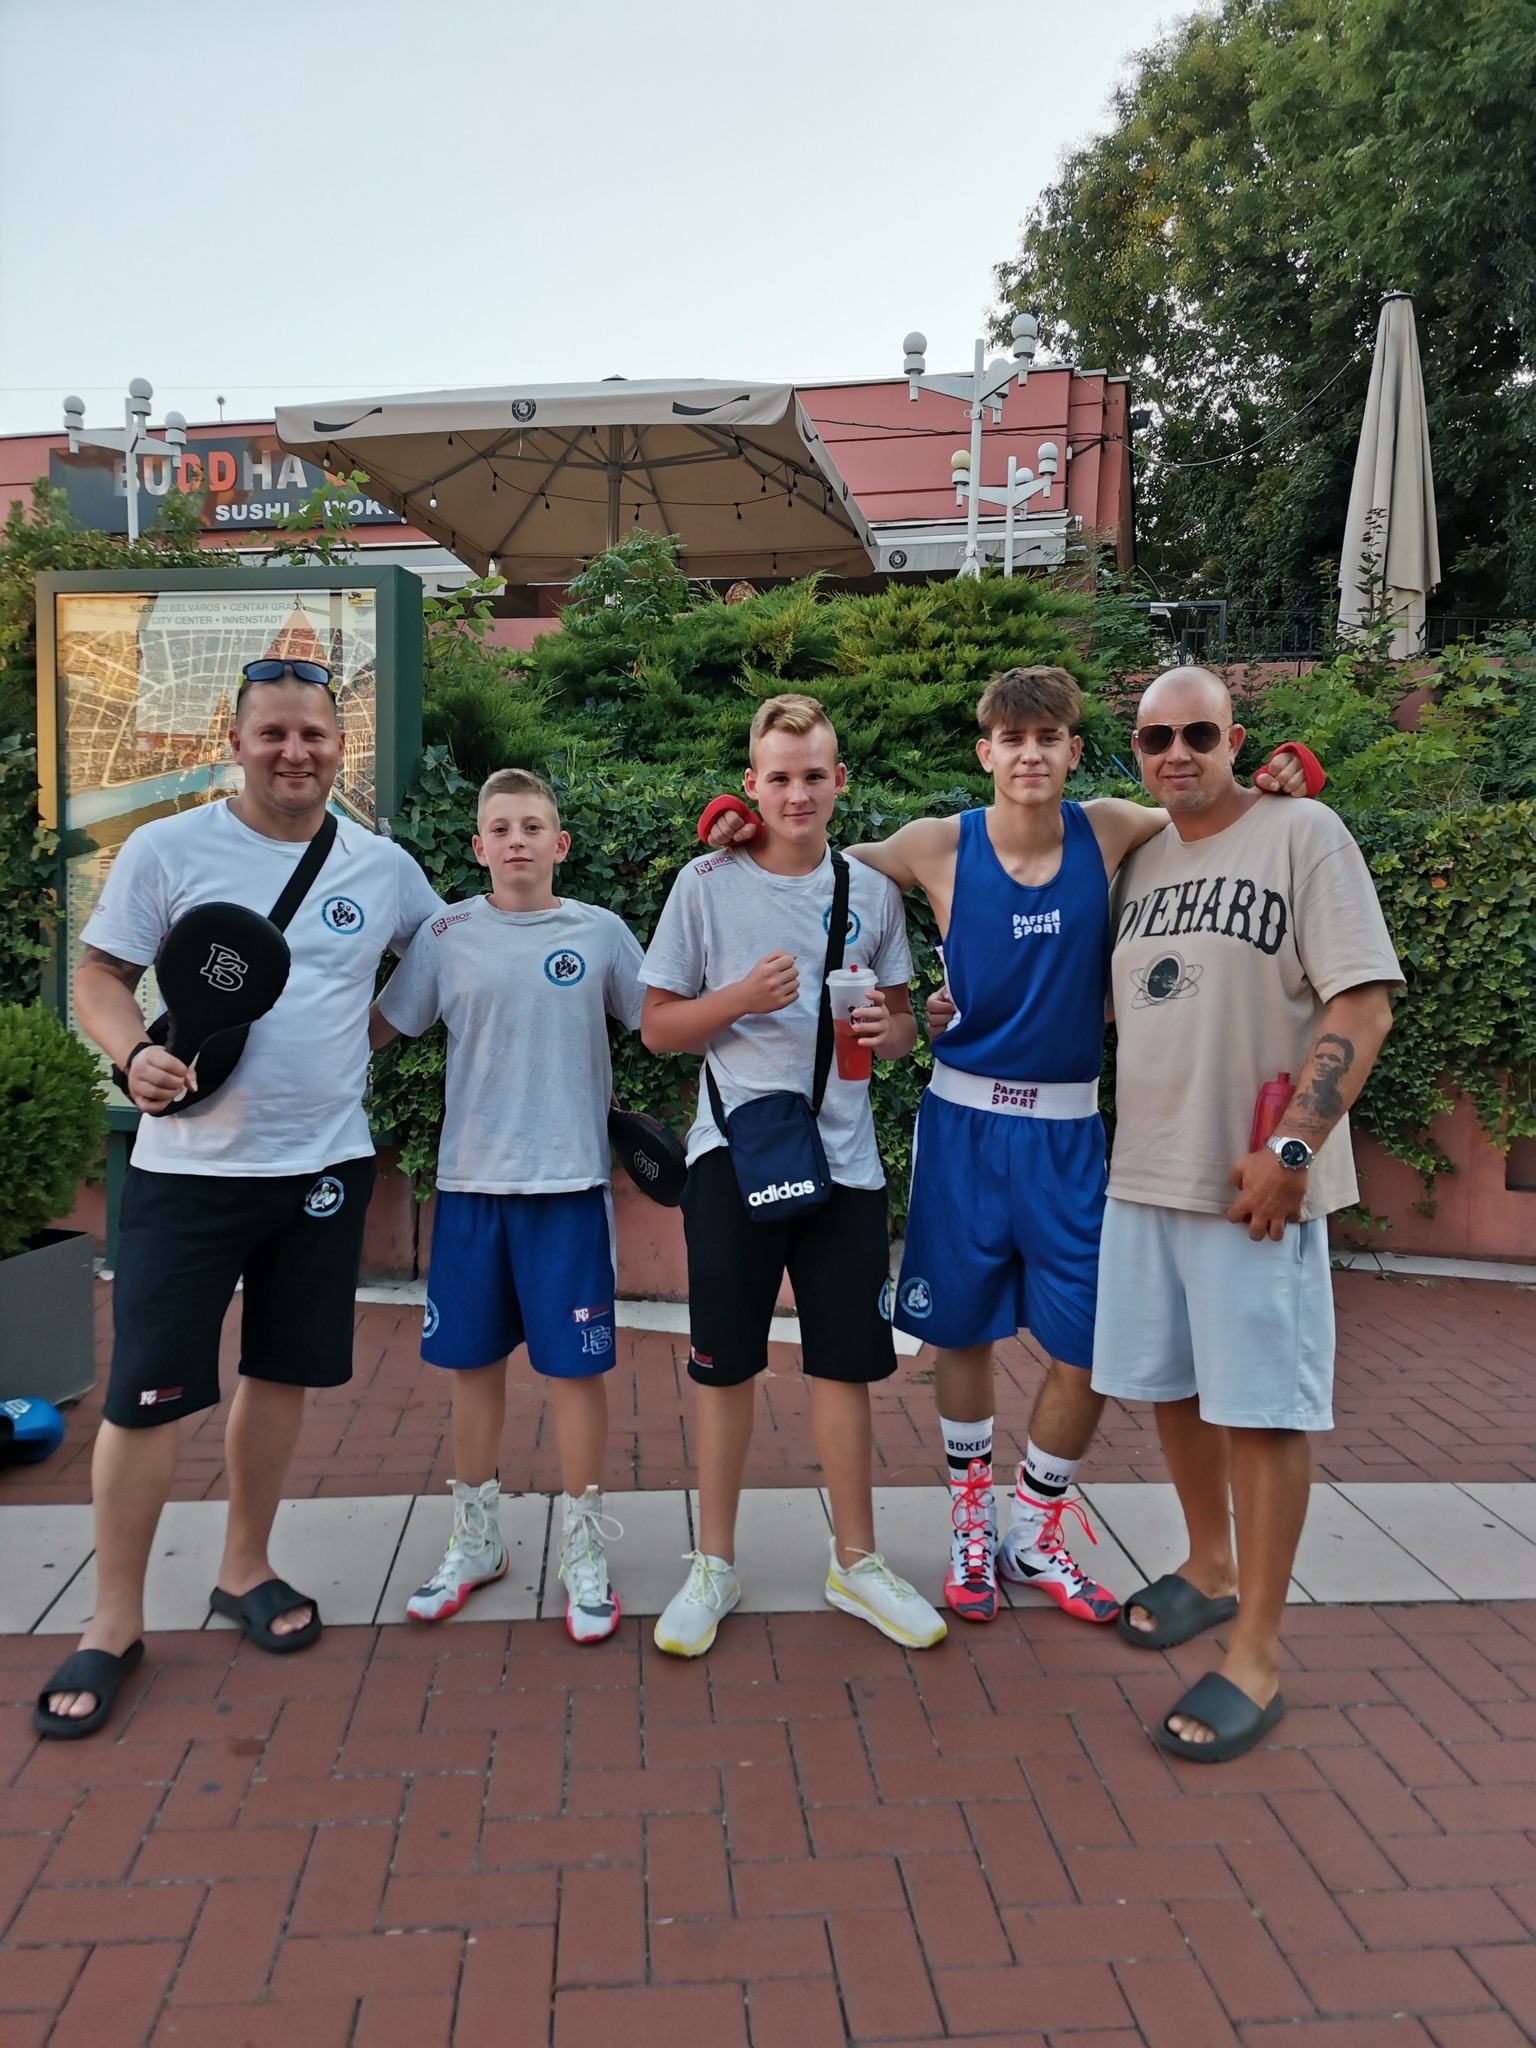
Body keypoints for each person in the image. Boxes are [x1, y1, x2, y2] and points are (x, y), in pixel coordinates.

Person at [703, 667, 1311, 1631]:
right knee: (959, 1333)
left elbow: (1211, 809)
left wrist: (1282, 775)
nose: (1031, 755)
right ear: (985, 752)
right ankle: (971, 1524)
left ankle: (1035, 1520)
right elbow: (811, 853)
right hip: (964, 1125)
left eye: (1049, 738)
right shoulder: (936, 845)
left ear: (1074, 749)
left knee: (1092, 1342)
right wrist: (739, 819)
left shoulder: (1110, 828)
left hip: (1069, 1130)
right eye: (1013, 739)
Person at [36, 657, 441, 1739]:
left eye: (314, 733)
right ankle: (112, 1620)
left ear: (341, 746)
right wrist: (132, 1056)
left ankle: (244, 1566)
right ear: (236, 739)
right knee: (146, 1396)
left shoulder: (382, 864)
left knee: (280, 1373)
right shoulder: (169, 849)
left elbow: (443, 954)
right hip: (188, 1174)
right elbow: (99, 975)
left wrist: (367, 1038)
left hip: (323, 1170)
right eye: (274, 733)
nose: (295, 751)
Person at [1091, 666, 1400, 1762]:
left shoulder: (1303, 832)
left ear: (1235, 737)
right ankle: (1209, 1564)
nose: (1177, 752)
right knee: (1175, 1389)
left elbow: (1363, 1001)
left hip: (1253, 1185)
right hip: (1149, 1171)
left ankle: (1257, 1656)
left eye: (1198, 733)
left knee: (1263, 1412)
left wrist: (1292, 1150)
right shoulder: (1137, 861)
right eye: (1155, 737)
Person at [640, 693, 946, 1655]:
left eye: (814, 775)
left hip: (844, 1163)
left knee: (845, 1362)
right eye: (779, 777)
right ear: (752, 783)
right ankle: (714, 1562)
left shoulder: (872, 891)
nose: (797, 793)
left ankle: (856, 1561)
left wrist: (888, 1030)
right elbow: (657, 1028)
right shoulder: (704, 882)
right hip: (731, 1154)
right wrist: (737, 997)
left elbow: (899, 1028)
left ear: (839, 780)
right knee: (723, 1363)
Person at [369, 768, 644, 1638]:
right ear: (478, 846)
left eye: (532, 826)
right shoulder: (445, 935)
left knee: (576, 1373)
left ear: (560, 843)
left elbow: (665, 1021)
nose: (517, 839)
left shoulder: (601, 933)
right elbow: (375, 1030)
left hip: (569, 1187)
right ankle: (478, 1540)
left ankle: (584, 1546)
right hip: (470, 1187)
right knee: (473, 1367)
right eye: (501, 827)